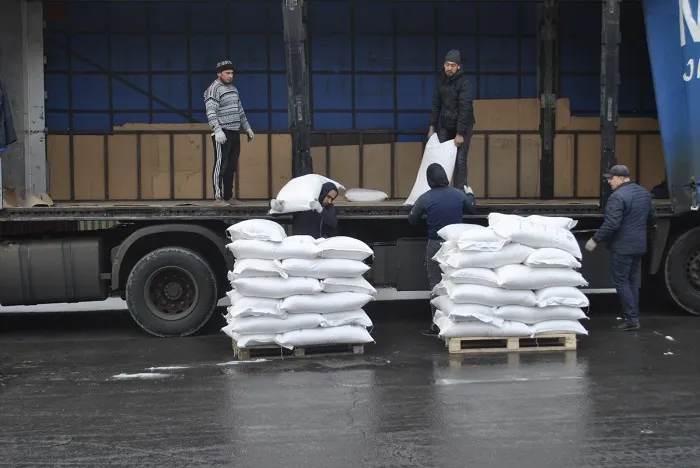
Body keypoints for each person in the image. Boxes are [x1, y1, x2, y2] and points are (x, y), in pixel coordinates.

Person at [585, 164, 658, 331]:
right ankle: (633, 316)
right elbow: (653, 217)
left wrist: (595, 239)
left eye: (612, 178)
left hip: (623, 247)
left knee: (621, 282)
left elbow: (612, 224)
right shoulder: (644, 193)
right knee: (632, 281)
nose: (609, 181)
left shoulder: (617, 197)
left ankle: (631, 319)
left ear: (622, 178)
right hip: (639, 245)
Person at [408, 163, 477, 336]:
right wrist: (470, 193)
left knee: (436, 284)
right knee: (456, 282)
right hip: (455, 245)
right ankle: (459, 322)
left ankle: (437, 325)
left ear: (430, 179)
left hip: (435, 245)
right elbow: (472, 208)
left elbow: (412, 220)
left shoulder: (426, 198)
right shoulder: (458, 194)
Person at [204, 60, 255, 206]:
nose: (230, 76)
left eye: (232, 73)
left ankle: (228, 196)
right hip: (223, 133)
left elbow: (239, 110)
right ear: (219, 73)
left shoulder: (233, 89)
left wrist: (247, 128)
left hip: (234, 132)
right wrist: (217, 130)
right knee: (221, 165)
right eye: (227, 73)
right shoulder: (214, 89)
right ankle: (217, 198)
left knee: (231, 166)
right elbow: (211, 111)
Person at [428, 49, 475, 191]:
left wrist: (460, 133)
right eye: (447, 64)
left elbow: (465, 108)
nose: (449, 68)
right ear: (444, 65)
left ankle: (461, 191)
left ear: (458, 66)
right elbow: (436, 104)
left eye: (453, 65)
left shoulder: (464, 83)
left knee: (460, 160)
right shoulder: (440, 81)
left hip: (463, 126)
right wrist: (432, 127)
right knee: (441, 157)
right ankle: (441, 191)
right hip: (446, 124)